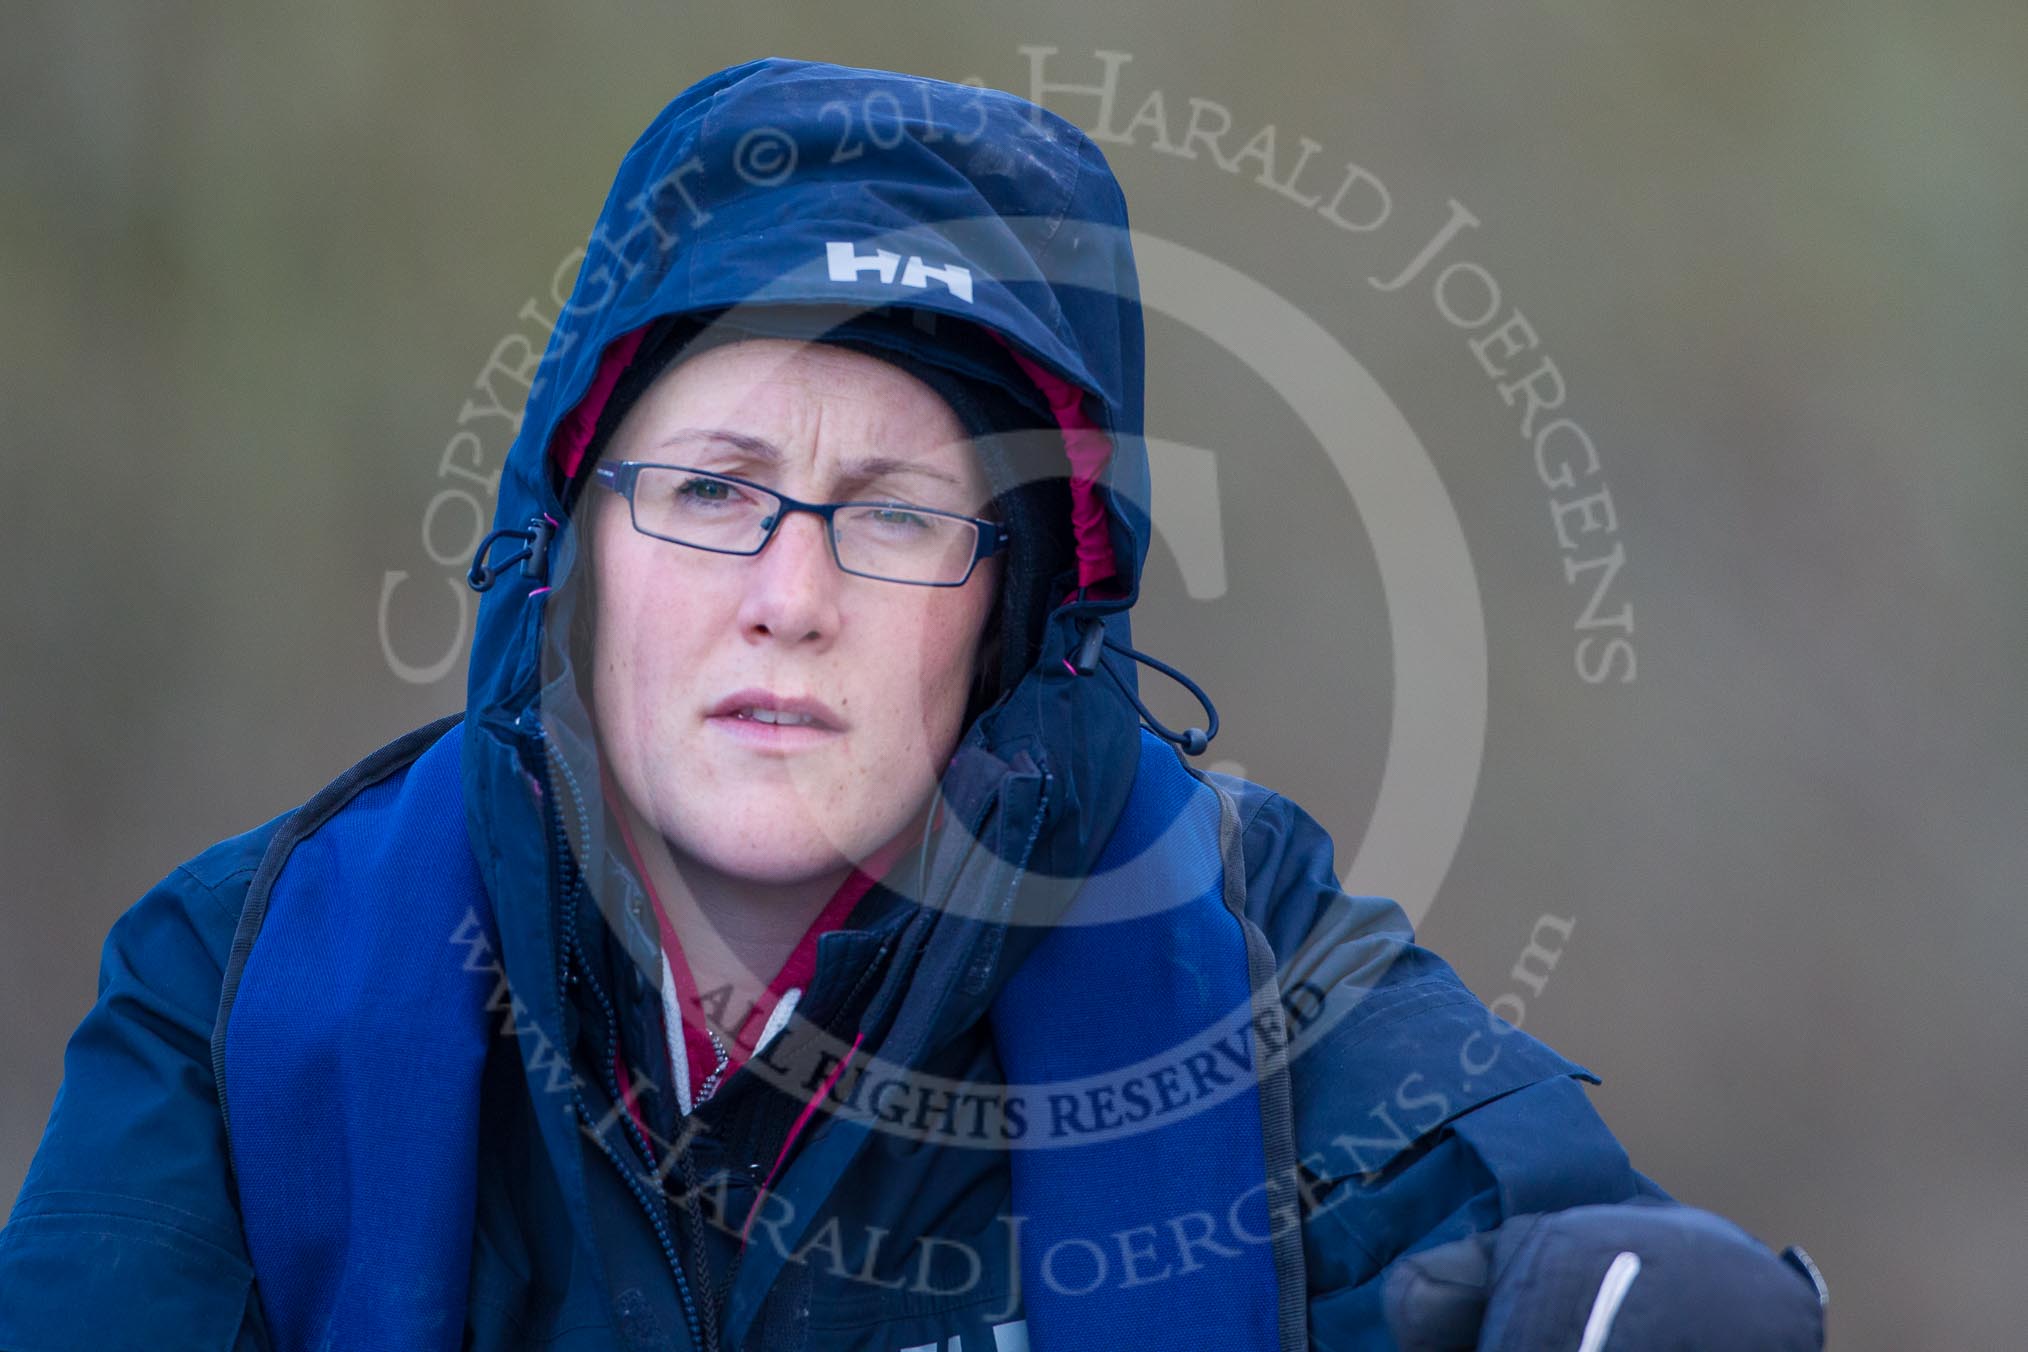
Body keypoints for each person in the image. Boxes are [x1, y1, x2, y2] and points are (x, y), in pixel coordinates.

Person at [0, 58, 1828, 1351]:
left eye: (896, 518)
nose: (787, 598)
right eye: (712, 489)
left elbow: (1568, 1251)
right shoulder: (240, 993)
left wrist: (1655, 1301)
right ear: (573, 549)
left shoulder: (1264, 992)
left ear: (1015, 610)